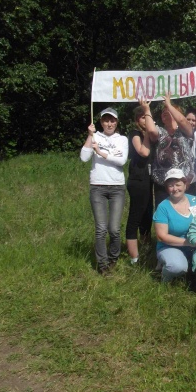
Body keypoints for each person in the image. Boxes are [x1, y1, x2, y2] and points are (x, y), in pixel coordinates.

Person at [80, 107, 128, 275]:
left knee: (114, 229)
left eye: (112, 120)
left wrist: (100, 152)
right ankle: (102, 264)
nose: (109, 123)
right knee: (101, 229)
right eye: (106, 120)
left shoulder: (122, 139)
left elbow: (122, 160)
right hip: (98, 187)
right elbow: (84, 157)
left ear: (116, 122)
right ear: (101, 122)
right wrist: (89, 135)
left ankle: (114, 257)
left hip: (117, 187)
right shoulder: (95, 136)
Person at [142, 93, 194, 208]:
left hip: (183, 182)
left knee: (184, 211)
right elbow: (151, 131)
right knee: (163, 212)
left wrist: (169, 105)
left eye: (168, 110)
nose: (165, 111)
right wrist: (146, 110)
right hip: (163, 184)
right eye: (163, 111)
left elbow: (182, 120)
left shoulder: (185, 131)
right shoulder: (160, 131)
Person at [153, 169, 196, 282]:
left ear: (185, 185)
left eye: (178, 185)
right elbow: (161, 236)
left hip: (195, 244)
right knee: (177, 267)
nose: (175, 189)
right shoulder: (163, 207)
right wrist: (189, 242)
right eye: (171, 186)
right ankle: (164, 279)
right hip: (170, 246)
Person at [125, 106, 153, 265]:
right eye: (143, 117)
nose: (146, 119)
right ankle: (134, 258)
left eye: (147, 117)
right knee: (135, 216)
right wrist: (147, 134)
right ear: (137, 121)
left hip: (149, 180)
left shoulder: (152, 133)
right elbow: (143, 152)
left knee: (147, 216)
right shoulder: (135, 134)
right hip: (138, 180)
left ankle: (146, 249)